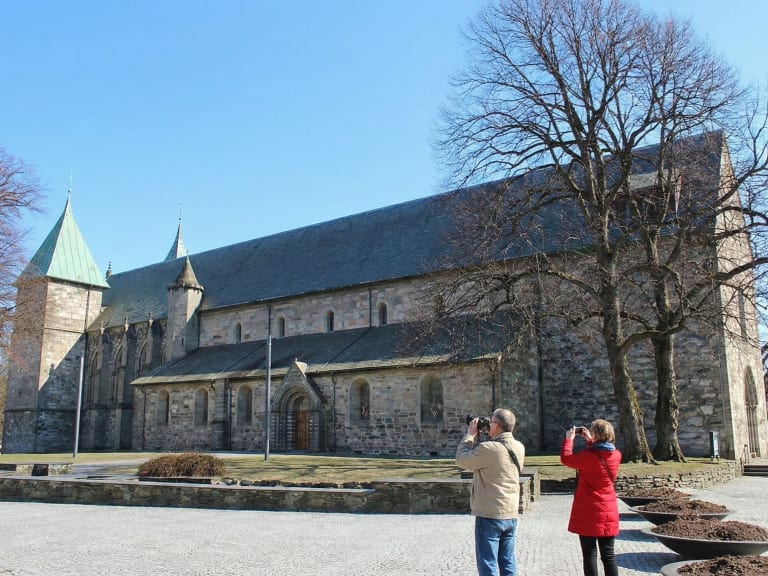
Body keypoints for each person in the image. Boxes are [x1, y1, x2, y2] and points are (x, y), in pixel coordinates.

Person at [456, 408, 526, 576]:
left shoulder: (490, 448)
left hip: (490, 514)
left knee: (488, 563)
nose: (488, 423)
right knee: (507, 561)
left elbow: (461, 460)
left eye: (491, 420)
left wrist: (470, 436)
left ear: (497, 426)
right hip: (510, 513)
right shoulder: (519, 447)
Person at [560, 419, 622, 576]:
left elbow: (566, 459)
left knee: (589, 555)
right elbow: (599, 454)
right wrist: (590, 440)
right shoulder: (616, 455)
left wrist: (569, 439)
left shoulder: (587, 457)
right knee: (609, 555)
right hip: (608, 510)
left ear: (596, 435)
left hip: (589, 510)